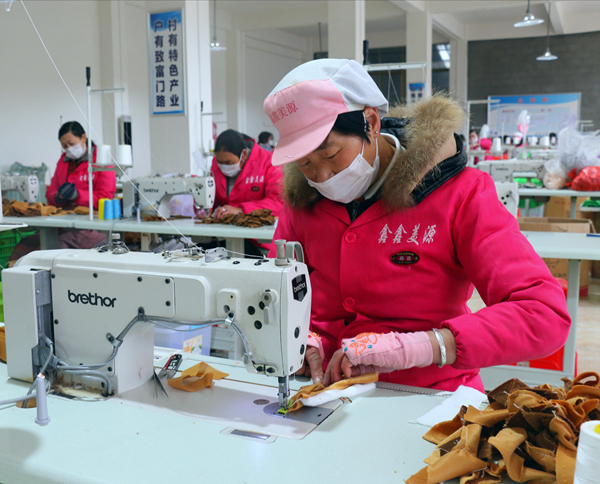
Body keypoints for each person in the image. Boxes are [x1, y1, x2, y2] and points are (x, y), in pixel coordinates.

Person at [263, 58, 570, 392]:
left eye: (331, 154)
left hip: (433, 392)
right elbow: (274, 292)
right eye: (305, 163)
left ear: (371, 122)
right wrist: (304, 338)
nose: (322, 176)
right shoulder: (303, 204)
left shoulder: (460, 193)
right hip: (329, 390)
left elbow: (544, 314)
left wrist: (426, 346)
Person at [11, 122, 116, 259]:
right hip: (62, 224)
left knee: (52, 249)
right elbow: (51, 192)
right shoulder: (63, 162)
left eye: (71, 143)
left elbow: (105, 198)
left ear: (83, 138)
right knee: (23, 247)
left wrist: (77, 195)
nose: (68, 149)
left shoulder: (101, 162)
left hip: (92, 226)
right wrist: (58, 197)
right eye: (64, 146)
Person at [209, 129, 283, 254]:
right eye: (219, 162)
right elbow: (211, 193)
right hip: (224, 236)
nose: (223, 166)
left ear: (243, 154)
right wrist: (205, 208)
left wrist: (241, 210)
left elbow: (278, 203)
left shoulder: (268, 162)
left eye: (228, 163)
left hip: (257, 240)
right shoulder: (217, 163)